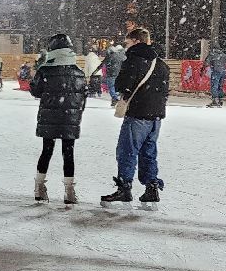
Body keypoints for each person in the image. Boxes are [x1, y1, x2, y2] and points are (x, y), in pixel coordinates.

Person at [100, 28, 170, 209]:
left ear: (137, 41)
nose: (126, 46)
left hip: (138, 113)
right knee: (149, 152)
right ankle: (151, 187)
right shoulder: (160, 63)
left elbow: (122, 84)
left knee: (127, 150)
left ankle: (124, 188)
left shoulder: (134, 60)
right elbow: (164, 89)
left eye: (128, 42)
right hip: (156, 116)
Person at [29, 34, 87, 204]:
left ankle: (39, 187)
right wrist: (76, 114)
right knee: (68, 153)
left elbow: (35, 91)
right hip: (70, 118)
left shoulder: (45, 70)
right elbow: (83, 97)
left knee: (47, 150)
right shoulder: (78, 72)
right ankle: (69, 191)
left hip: (49, 117)